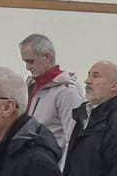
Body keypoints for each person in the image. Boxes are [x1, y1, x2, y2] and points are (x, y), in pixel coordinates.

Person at [19, 33, 83, 162]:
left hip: (52, 165)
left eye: (31, 61)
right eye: (25, 62)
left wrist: (62, 171)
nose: (27, 67)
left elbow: (73, 138)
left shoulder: (67, 92)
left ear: (47, 57)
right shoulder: (32, 86)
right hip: (31, 162)